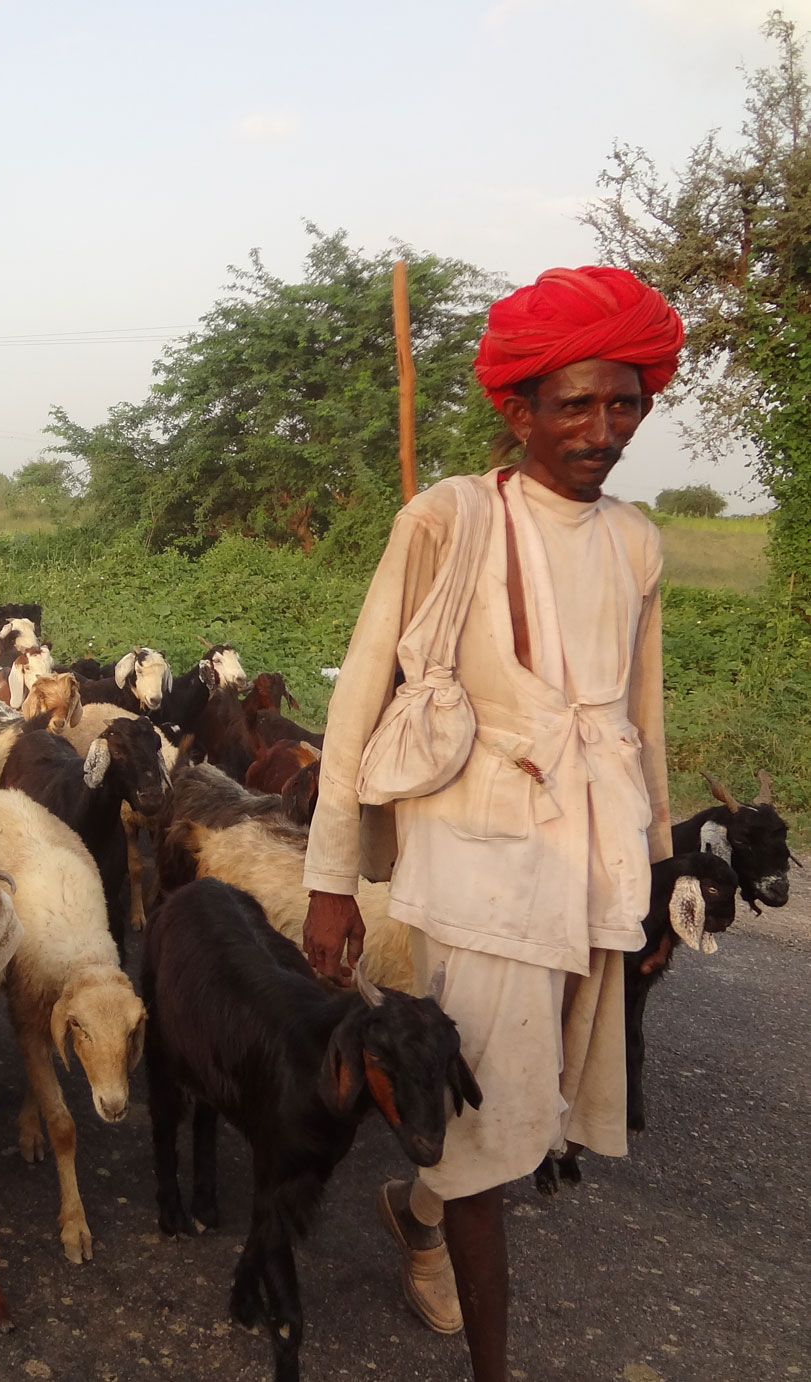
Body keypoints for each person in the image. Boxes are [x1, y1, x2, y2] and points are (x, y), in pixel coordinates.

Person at [300, 267, 685, 1382]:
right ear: (518, 411)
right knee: (484, 1116)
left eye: (623, 404)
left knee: (527, 1100)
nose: (602, 431)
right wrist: (331, 878)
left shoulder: (635, 541)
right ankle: (491, 1363)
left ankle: (415, 1214)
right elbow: (360, 689)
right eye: (575, 405)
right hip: (474, 862)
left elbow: (643, 715)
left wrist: (658, 871)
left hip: (592, 856)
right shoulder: (447, 519)